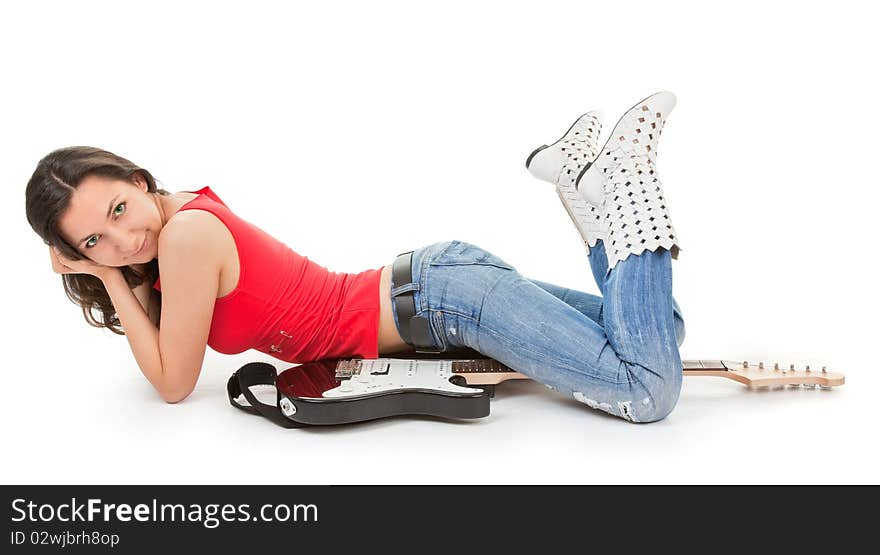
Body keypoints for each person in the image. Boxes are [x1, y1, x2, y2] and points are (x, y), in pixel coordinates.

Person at [25, 91, 685, 423]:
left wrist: (105, 275)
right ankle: (585, 194)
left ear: (137, 180)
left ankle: (626, 192)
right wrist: (116, 265)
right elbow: (171, 347)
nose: (121, 241)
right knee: (662, 329)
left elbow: (172, 383)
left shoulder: (184, 238)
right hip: (437, 283)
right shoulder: (180, 215)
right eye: (94, 242)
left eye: (116, 210)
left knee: (647, 388)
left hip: (444, 304)